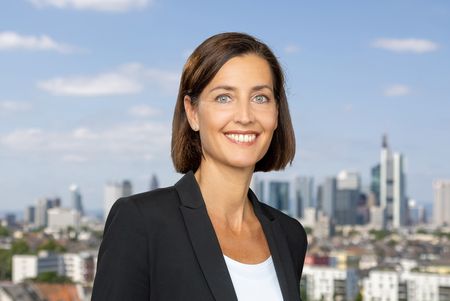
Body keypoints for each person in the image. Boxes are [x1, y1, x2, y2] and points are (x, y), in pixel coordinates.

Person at [92, 32, 308, 301]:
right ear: (192, 113)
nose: (245, 116)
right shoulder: (142, 222)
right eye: (224, 97)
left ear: (277, 113)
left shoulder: (289, 235)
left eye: (260, 98)